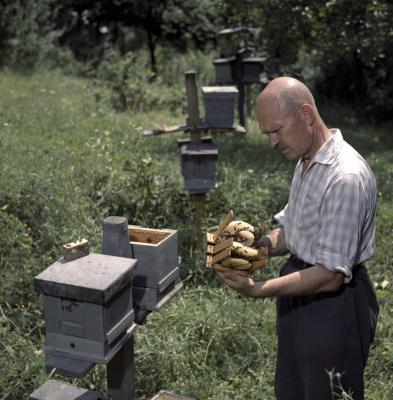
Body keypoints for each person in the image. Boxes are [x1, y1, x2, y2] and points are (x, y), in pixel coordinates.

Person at [218, 77, 379, 400]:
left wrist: (258, 290)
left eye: (276, 130)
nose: (272, 143)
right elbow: (292, 231)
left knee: (329, 393)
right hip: (299, 290)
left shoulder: (345, 177)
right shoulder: (307, 159)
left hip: (334, 304)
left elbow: (331, 275)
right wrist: (257, 246)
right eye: (267, 134)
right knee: (294, 387)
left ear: (306, 115)